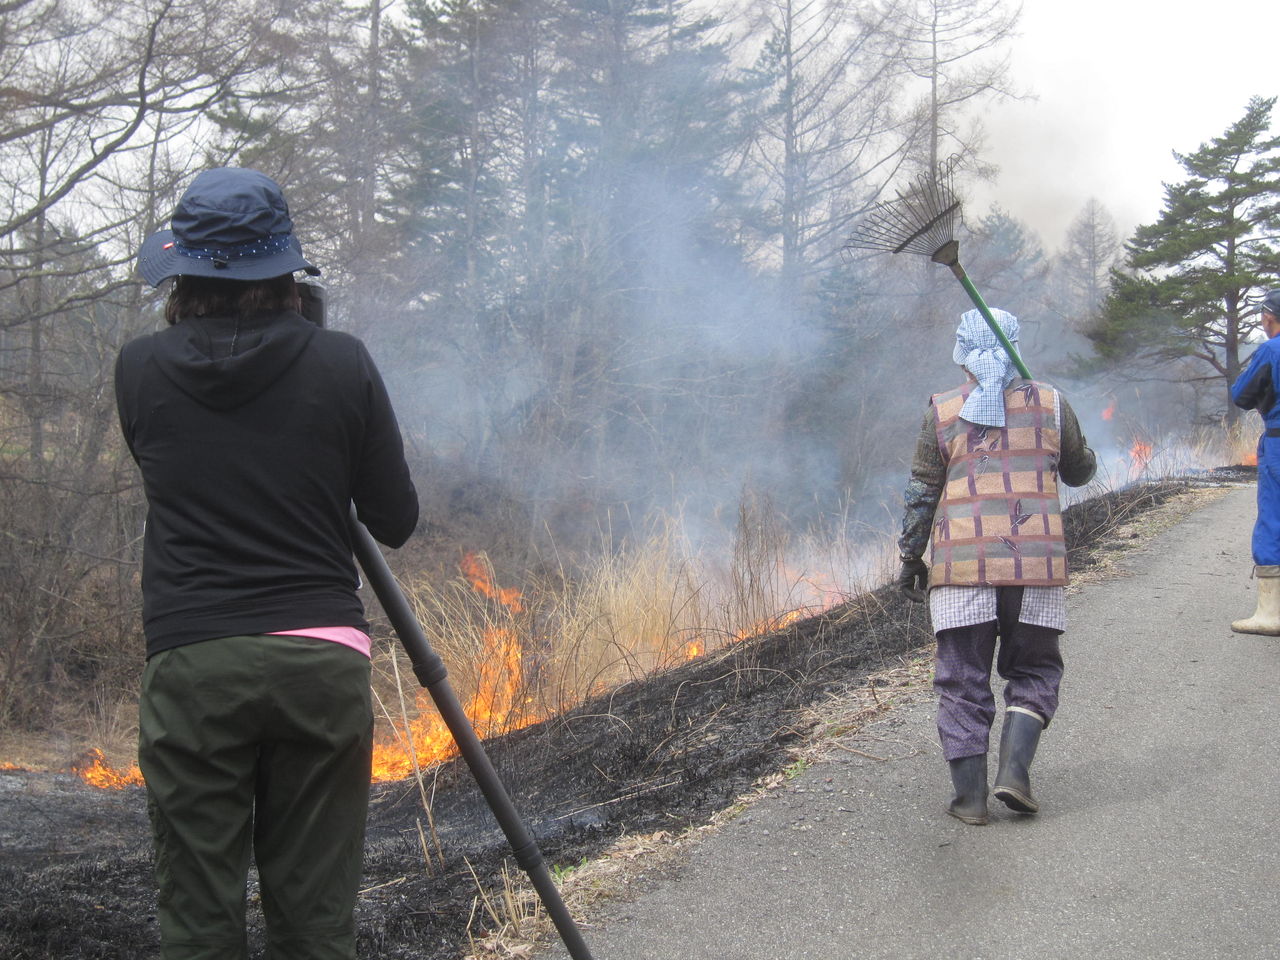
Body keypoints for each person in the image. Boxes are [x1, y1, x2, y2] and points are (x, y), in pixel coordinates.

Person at [115, 167, 419, 958]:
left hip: (194, 662)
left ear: (182, 275)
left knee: (198, 920)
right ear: (287, 271)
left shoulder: (138, 369)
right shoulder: (342, 363)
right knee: (315, 923)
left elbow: (181, 467)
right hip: (320, 663)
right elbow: (395, 520)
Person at [896, 308, 1096, 826]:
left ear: (963, 354)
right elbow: (1079, 472)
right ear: (1014, 348)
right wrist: (1079, 450)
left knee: (961, 679)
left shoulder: (942, 410)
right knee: (1035, 669)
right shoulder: (1052, 403)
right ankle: (1014, 773)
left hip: (962, 570)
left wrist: (910, 556)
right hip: (1036, 568)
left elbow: (922, 491)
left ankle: (970, 799)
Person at [1229, 288, 1280, 636]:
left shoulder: (1271, 350)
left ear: (1268, 316)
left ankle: (1270, 613)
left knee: (1274, 520)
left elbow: (1241, 395)